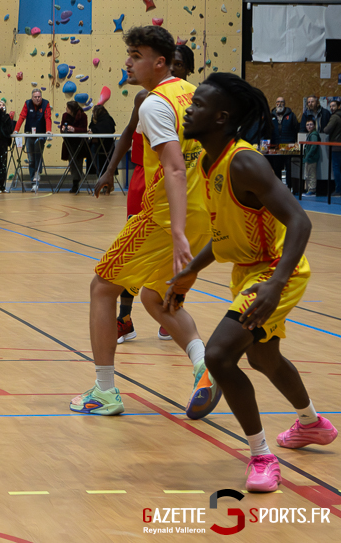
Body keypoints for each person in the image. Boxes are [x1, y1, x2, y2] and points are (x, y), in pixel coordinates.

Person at [168, 73, 336, 493]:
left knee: (220, 355)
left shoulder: (243, 161)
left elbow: (300, 220)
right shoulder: (208, 162)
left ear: (221, 117)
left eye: (199, 105)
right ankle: (311, 424)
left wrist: (276, 283)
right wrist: (191, 271)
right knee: (264, 359)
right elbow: (225, 233)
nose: (189, 109)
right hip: (248, 272)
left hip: (277, 270)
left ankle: (261, 456)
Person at [71, 26, 218, 418]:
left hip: (165, 216)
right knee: (155, 297)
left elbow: (172, 168)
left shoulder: (155, 103)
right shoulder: (195, 94)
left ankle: (104, 392)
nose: (128, 62)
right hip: (206, 212)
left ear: (159, 62)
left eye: (136, 55)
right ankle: (206, 366)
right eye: (129, 54)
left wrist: (177, 230)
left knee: (102, 287)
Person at [95, 44, 194, 344]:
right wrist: (111, 169)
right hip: (145, 178)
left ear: (185, 70)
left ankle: (170, 311)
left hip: (180, 181)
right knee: (132, 253)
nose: (174, 69)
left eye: (179, 65)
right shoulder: (146, 99)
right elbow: (127, 134)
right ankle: (124, 317)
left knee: (177, 258)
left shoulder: (190, 98)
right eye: (171, 63)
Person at [14, 88, 52, 191]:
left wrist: (48, 130)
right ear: (32, 97)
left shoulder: (46, 104)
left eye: (39, 97)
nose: (37, 99)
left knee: (38, 153)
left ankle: (37, 174)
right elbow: (22, 116)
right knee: (31, 159)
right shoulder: (27, 103)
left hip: (41, 134)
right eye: (35, 97)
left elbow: (48, 118)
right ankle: (33, 183)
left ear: (41, 97)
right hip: (29, 134)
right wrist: (16, 130)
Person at [268, 97, 299, 189]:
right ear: (275, 103)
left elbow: (296, 129)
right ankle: (278, 188)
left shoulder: (291, 115)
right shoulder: (270, 116)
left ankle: (289, 187)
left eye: (282, 102)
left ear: (284, 103)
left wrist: (295, 141)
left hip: (289, 146)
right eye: (278, 102)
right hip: (275, 146)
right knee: (277, 168)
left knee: (289, 168)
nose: (280, 104)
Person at [60, 100, 89, 194]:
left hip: (80, 143)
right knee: (72, 163)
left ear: (72, 109)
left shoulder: (83, 116)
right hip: (69, 142)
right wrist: (63, 129)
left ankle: (76, 183)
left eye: (67, 108)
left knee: (79, 162)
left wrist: (74, 129)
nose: (66, 109)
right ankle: (75, 183)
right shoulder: (65, 115)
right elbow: (61, 127)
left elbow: (84, 129)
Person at [88, 103, 116, 178]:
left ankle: (100, 176)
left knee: (101, 164)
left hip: (104, 146)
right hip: (103, 145)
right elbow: (92, 127)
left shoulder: (106, 120)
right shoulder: (99, 119)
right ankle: (99, 176)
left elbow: (104, 129)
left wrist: (93, 130)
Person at [302, 119, 320, 197]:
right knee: (308, 174)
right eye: (307, 125)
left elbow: (314, 146)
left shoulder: (313, 135)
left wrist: (308, 155)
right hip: (309, 157)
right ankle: (309, 189)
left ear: (314, 125)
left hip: (311, 158)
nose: (309, 126)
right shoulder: (310, 134)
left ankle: (312, 190)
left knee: (311, 174)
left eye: (311, 124)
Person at [326, 99, 341, 196]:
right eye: (330, 106)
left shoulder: (335, 117)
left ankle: (338, 190)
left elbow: (327, 129)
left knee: (336, 168)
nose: (331, 108)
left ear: (338, 106)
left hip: (336, 146)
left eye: (333, 106)